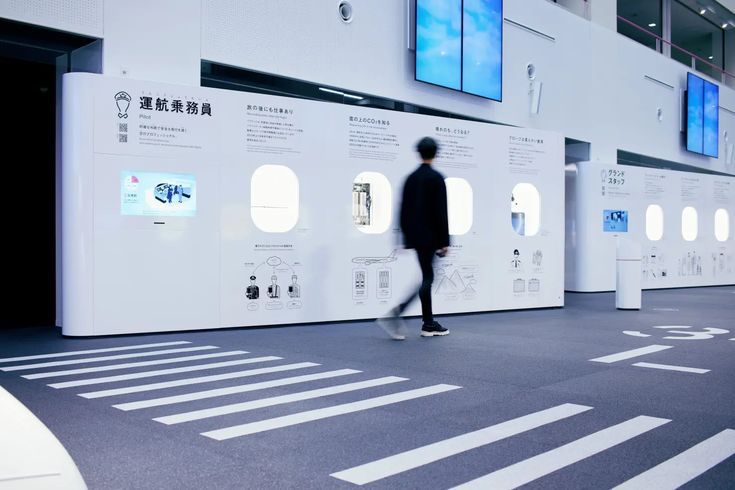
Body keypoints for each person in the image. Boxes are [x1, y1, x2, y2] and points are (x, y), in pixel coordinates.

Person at [377, 136, 449, 340]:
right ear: (435, 153)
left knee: (426, 276)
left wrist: (404, 239)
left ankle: (428, 323)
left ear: (419, 152)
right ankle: (398, 314)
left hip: (416, 238)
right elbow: (441, 212)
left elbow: (403, 210)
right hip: (431, 237)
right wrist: (444, 241)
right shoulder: (436, 178)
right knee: (428, 278)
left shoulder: (411, 178)